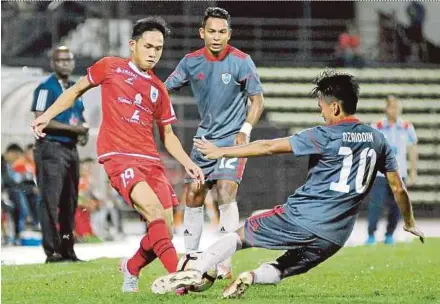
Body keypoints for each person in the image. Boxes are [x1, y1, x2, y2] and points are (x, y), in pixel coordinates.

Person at [150, 70, 425, 297]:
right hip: (336, 236)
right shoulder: (378, 140)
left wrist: (221, 151)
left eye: (322, 107)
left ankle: (197, 270)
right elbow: (398, 188)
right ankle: (251, 276)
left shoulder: (324, 134)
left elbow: (269, 146)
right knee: (285, 266)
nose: (321, 113)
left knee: (240, 236)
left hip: (302, 216)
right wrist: (410, 222)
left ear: (336, 107)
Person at [31, 17, 204, 292]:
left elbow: (168, 136)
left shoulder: (158, 88)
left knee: (165, 230)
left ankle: (132, 267)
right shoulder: (111, 66)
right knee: (155, 214)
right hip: (119, 157)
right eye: (148, 46)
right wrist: (47, 116)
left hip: (151, 161)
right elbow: (76, 91)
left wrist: (188, 163)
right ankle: (181, 278)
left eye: (158, 48)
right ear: (132, 45)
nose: (153, 53)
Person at [165, 7, 264, 279]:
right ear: (202, 33)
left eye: (222, 32)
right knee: (194, 192)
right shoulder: (190, 62)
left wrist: (245, 129)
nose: (217, 37)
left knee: (225, 190)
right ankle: (191, 257)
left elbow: (258, 100)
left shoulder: (242, 61)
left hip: (232, 141)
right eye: (212, 31)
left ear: (229, 34)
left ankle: (223, 260)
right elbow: (164, 89)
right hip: (204, 141)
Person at [31, 46, 88, 263]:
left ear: (73, 63)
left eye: (68, 60)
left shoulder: (75, 89)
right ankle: (52, 251)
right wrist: (76, 130)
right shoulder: (45, 88)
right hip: (51, 149)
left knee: (69, 202)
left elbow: (78, 119)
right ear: (53, 63)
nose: (65, 64)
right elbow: (40, 118)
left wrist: (83, 132)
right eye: (60, 60)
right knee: (50, 202)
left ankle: (67, 248)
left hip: (71, 149)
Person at [366, 96, 418, 245]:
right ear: (386, 108)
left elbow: (413, 148)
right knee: (376, 203)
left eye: (396, 107)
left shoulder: (407, 126)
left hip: (399, 173)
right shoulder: (377, 126)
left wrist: (413, 171)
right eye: (391, 107)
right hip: (381, 173)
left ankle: (389, 234)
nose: (394, 110)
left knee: (396, 206)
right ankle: (371, 235)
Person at [1, 143, 27, 245]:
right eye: (16, 157)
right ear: (11, 153)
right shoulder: (2, 163)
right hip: (4, 193)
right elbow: (6, 181)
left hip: (6, 193)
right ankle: (13, 235)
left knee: (20, 204)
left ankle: (16, 234)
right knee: (16, 202)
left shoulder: (7, 165)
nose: (16, 160)